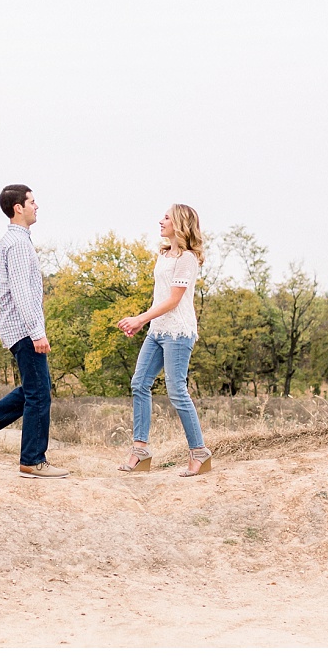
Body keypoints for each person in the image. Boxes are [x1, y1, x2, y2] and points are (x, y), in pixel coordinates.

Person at [0, 185, 68, 479]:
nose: (38, 206)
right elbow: (22, 292)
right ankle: (32, 460)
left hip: (19, 326)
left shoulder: (15, 241)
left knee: (37, 389)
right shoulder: (18, 244)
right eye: (33, 202)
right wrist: (37, 332)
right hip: (23, 328)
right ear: (18, 207)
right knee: (39, 394)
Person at [115, 204, 212, 477]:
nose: (161, 221)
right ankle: (140, 450)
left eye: (166, 217)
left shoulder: (188, 259)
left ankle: (199, 453)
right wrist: (146, 322)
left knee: (176, 391)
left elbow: (174, 300)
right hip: (157, 331)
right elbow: (160, 296)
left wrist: (139, 318)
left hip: (178, 333)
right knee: (139, 383)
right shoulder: (164, 254)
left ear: (179, 223)